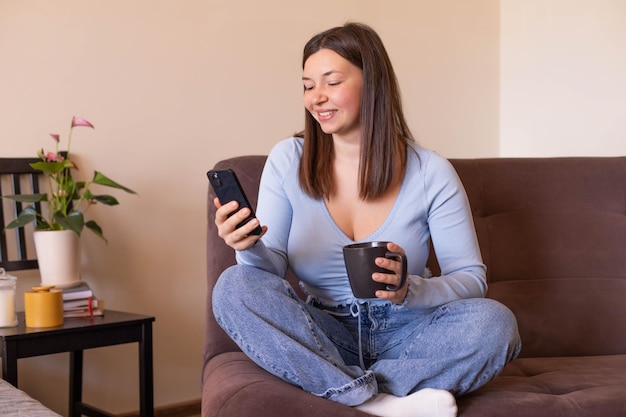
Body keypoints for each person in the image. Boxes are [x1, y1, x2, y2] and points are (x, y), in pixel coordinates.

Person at [212, 22, 521, 417]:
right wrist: (248, 245)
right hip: (324, 330)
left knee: (495, 323)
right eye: (308, 85)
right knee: (235, 284)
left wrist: (410, 290)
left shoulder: (429, 171)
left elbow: (471, 278)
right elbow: (267, 271)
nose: (316, 97)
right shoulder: (288, 160)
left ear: (372, 83)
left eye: (331, 82)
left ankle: (343, 387)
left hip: (409, 330)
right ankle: (377, 401)